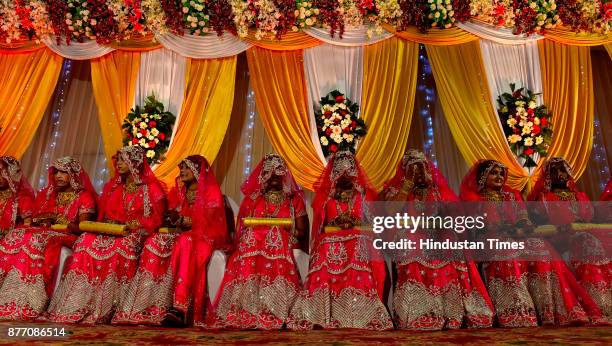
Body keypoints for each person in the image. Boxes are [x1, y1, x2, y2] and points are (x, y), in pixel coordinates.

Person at [461, 159, 603, 327]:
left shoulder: (513, 195)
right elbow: (473, 226)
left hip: (516, 236)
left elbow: (523, 218)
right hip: (489, 240)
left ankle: (547, 311)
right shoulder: (473, 198)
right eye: (493, 173)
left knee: (540, 248)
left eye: (501, 173)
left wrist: (524, 226)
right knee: (508, 251)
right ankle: (516, 311)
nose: (499, 176)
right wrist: (497, 227)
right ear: (482, 177)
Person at [47, 146, 166, 324]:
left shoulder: (152, 189)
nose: (118, 163)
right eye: (117, 159)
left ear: (135, 162)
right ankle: (77, 303)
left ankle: (114, 306)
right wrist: (111, 224)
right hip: (114, 231)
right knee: (85, 242)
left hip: (136, 233)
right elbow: (106, 215)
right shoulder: (114, 187)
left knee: (121, 246)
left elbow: (158, 218)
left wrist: (133, 225)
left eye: (122, 159)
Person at [380, 150, 493, 330]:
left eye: (423, 167)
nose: (419, 172)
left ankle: (449, 312)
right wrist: (407, 184)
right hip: (410, 235)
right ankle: (418, 311)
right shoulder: (396, 189)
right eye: (414, 168)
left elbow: (455, 216)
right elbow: (390, 212)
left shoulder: (437, 190)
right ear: (405, 170)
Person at [112, 155, 228, 326]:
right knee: (154, 242)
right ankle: (150, 305)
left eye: (187, 168)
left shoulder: (211, 192)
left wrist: (181, 220)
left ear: (198, 171)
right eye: (181, 168)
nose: (182, 171)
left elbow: (209, 223)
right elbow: (171, 215)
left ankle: (180, 308)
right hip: (182, 234)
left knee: (185, 242)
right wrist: (170, 218)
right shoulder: (178, 191)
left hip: (205, 237)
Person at [288, 151, 392, 330]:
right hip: (331, 237)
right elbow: (322, 226)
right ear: (333, 172)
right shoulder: (326, 195)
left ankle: (363, 312)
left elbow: (375, 224)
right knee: (326, 245)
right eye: (340, 171)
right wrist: (338, 223)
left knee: (361, 242)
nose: (344, 175)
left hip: (361, 235)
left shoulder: (364, 194)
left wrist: (354, 223)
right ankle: (324, 313)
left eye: (348, 171)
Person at [207, 154, 308, 330]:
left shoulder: (294, 200)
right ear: (263, 176)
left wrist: (277, 229)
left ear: (285, 175)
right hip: (254, 243)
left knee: (273, 237)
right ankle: (249, 307)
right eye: (269, 173)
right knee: (252, 239)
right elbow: (244, 228)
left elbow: (301, 232)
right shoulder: (253, 199)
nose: (274, 178)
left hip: (283, 242)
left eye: (278, 173)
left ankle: (276, 307)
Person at [0, 157, 96, 320]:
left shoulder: (84, 196)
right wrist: (46, 219)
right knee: (16, 234)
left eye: (63, 172)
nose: (58, 175)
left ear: (73, 174)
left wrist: (61, 222)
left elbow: (83, 227)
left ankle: (32, 298)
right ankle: (9, 291)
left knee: (35, 240)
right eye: (56, 172)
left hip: (68, 235)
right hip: (47, 231)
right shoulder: (47, 194)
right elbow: (36, 219)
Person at [529, 157, 610, 321]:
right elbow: (542, 225)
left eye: (564, 169)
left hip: (586, 236)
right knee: (586, 242)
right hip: (560, 240)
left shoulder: (580, 196)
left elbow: (589, 219)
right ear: (548, 175)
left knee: (594, 241)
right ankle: (595, 303)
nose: (561, 174)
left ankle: (604, 302)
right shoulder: (544, 199)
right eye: (556, 171)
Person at [0, 156, 34, 237]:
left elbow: (26, 228)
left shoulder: (23, 198)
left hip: (9, 240)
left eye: (2, 173)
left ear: (11, 174)